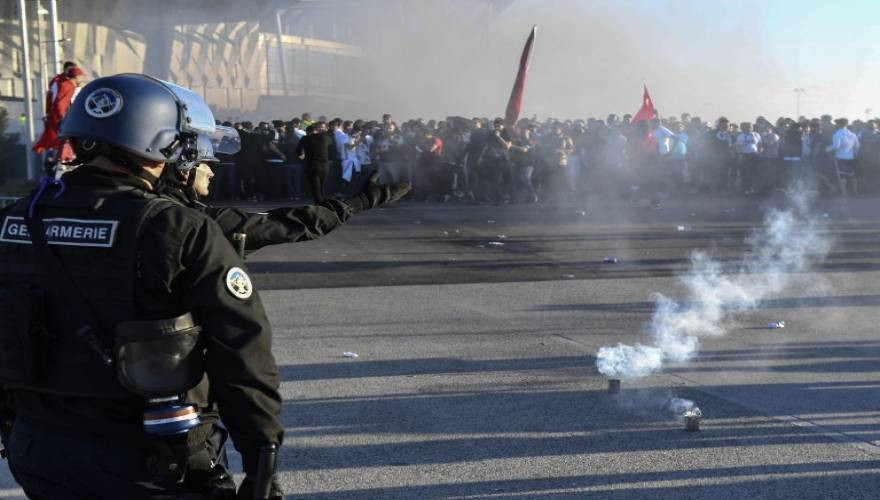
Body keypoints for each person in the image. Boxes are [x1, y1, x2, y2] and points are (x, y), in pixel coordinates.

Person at [0, 73, 283, 499]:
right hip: (153, 460)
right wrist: (262, 459)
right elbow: (242, 351)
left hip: (40, 452)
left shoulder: (15, 220)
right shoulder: (178, 228)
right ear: (160, 145)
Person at [158, 134, 410, 255]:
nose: (211, 172)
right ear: (182, 169)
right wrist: (361, 202)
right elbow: (277, 225)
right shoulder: (184, 219)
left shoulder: (145, 204)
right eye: (203, 163)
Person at [32, 64, 85, 166]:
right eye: (80, 76)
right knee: (64, 138)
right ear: (76, 77)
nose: (81, 78)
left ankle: (62, 158)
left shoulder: (64, 84)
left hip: (58, 116)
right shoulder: (68, 86)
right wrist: (62, 117)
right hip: (59, 117)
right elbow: (60, 103)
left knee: (60, 139)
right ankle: (62, 159)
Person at [295, 122, 334, 204]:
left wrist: (302, 155)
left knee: (315, 188)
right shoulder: (327, 138)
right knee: (322, 186)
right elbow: (332, 149)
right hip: (325, 166)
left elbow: (298, 151)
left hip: (312, 165)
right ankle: (324, 203)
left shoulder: (305, 139)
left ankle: (319, 204)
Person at [826, 117, 860, 196]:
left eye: (837, 123)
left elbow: (836, 146)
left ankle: (844, 193)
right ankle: (855, 192)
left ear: (839, 124)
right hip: (851, 157)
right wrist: (855, 154)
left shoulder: (837, 134)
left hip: (841, 157)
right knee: (852, 175)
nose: (836, 125)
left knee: (842, 176)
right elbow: (857, 146)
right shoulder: (852, 134)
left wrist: (827, 149)